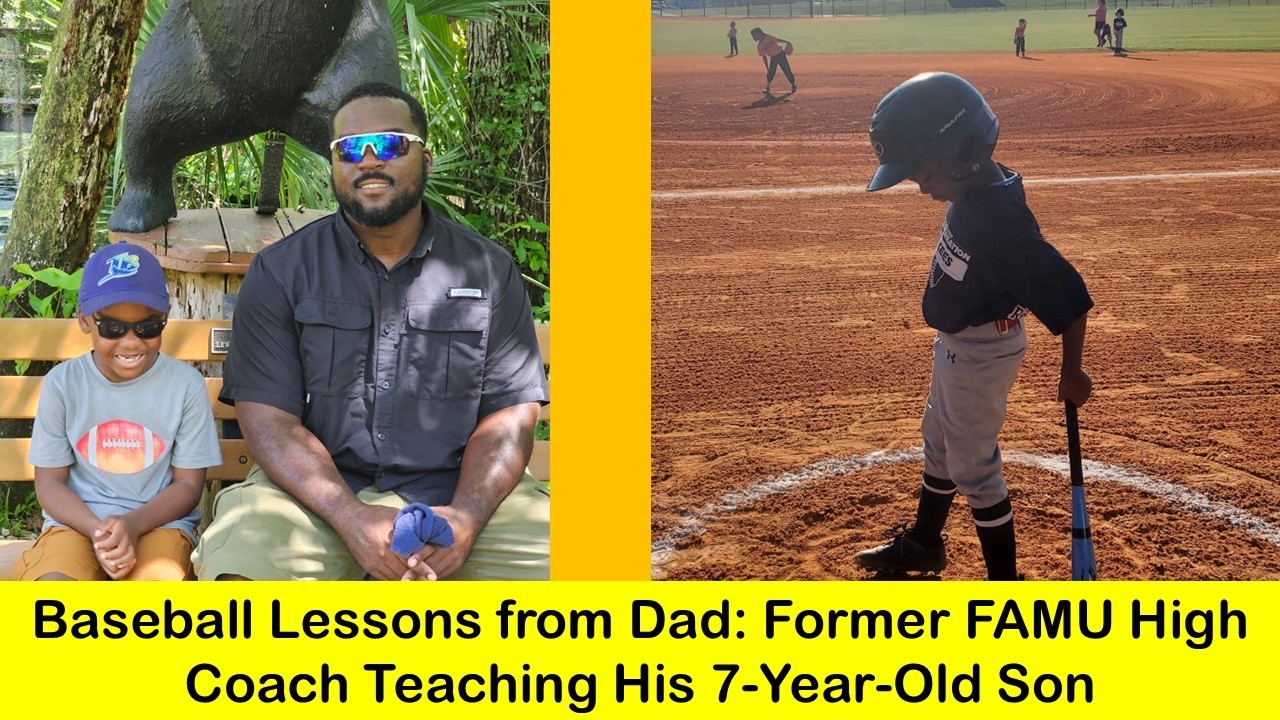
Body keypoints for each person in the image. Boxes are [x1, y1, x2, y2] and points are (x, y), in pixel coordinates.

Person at [190, 81, 550, 581]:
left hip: (461, 495)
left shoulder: (487, 270)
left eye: (388, 144)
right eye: (349, 149)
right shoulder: (282, 271)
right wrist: (350, 516)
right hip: (315, 499)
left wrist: (467, 517)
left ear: (424, 158)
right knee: (239, 576)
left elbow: (510, 416)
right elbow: (269, 422)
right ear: (334, 165)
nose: (368, 160)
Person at [854, 72, 1093, 581]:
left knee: (974, 469)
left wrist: (1072, 372)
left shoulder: (1001, 226)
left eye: (924, 177)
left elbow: (1069, 298)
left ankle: (1003, 587)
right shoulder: (979, 185)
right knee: (938, 440)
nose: (923, 190)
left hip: (982, 352)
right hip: (959, 345)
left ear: (962, 154)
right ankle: (923, 543)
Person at [11, 242, 222, 581]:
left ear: (165, 318)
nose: (131, 342)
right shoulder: (63, 384)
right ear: (85, 321)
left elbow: (187, 485)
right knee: (51, 595)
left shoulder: (186, 386)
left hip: (159, 526)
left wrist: (133, 524)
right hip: (76, 525)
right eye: (112, 328)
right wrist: (99, 531)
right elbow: (49, 484)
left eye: (148, 327)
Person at [750, 27, 796, 95]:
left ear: (760, 33)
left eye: (755, 34)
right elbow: (764, 56)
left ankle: (793, 84)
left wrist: (786, 41)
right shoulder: (760, 46)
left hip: (781, 55)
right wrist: (767, 67)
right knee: (770, 73)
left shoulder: (768, 37)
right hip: (773, 58)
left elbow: (777, 40)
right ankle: (768, 87)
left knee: (787, 71)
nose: (755, 36)